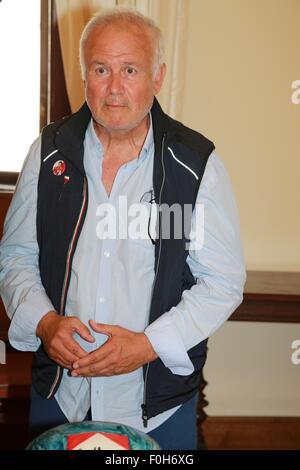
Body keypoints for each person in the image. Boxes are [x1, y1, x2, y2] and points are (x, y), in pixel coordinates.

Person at [0, 9, 246, 450]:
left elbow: (222, 282)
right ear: (85, 76)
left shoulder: (194, 165)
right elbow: (16, 256)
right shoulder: (48, 153)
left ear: (157, 77)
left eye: (130, 69)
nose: (114, 87)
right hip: (61, 394)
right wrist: (45, 322)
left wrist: (149, 345)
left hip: (156, 405)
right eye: (101, 69)